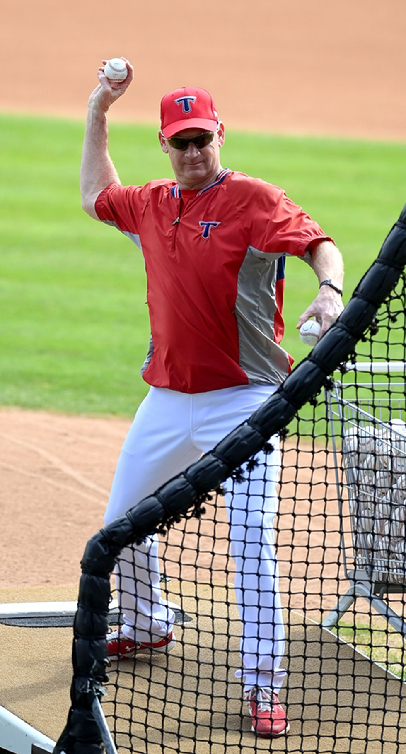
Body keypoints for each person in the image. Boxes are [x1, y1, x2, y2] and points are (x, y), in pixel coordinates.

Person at [80, 59, 344, 739]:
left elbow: (319, 243)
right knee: (119, 528)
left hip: (247, 402)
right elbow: (95, 196)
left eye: (203, 138)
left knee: (250, 540)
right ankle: (147, 624)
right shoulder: (152, 203)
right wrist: (98, 112)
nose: (194, 151)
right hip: (168, 399)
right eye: (181, 141)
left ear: (220, 133)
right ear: (165, 146)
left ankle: (263, 685)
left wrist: (330, 290)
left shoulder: (251, 198)